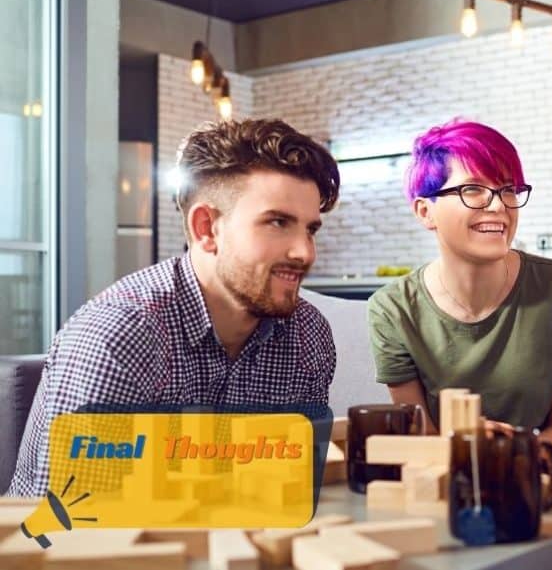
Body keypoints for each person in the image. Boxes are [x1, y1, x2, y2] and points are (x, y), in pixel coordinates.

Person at [7, 119, 341, 497]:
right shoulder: (118, 337)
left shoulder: (308, 335)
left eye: (310, 229)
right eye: (278, 222)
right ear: (206, 228)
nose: (304, 252)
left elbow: (295, 488)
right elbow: (73, 521)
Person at [367, 119, 552, 496]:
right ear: (425, 211)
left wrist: (524, 455)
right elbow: (421, 435)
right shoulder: (393, 310)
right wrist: (473, 458)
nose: (499, 206)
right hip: (452, 473)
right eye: (474, 190)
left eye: (508, 190)